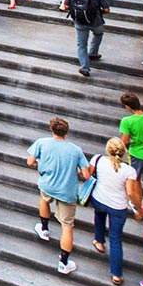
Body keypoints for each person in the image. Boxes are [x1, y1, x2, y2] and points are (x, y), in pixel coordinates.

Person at [26, 116, 91, 275]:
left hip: (48, 183)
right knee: (67, 226)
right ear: (66, 132)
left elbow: (30, 162)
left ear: (51, 129)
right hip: (67, 190)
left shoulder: (42, 142)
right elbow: (87, 175)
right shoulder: (75, 150)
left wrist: (41, 166)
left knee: (44, 200)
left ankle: (44, 228)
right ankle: (64, 262)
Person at [88, 137, 141, 285]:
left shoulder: (97, 159)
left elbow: (88, 175)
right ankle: (116, 273)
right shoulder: (129, 171)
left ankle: (99, 241)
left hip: (98, 198)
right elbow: (130, 193)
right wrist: (139, 208)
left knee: (98, 216)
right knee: (116, 238)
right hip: (117, 206)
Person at [63, 0, 109, 77]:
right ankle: (93, 53)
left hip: (80, 22)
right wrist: (98, 12)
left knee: (81, 44)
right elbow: (106, 10)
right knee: (98, 34)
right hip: (96, 22)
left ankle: (85, 67)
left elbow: (65, 6)